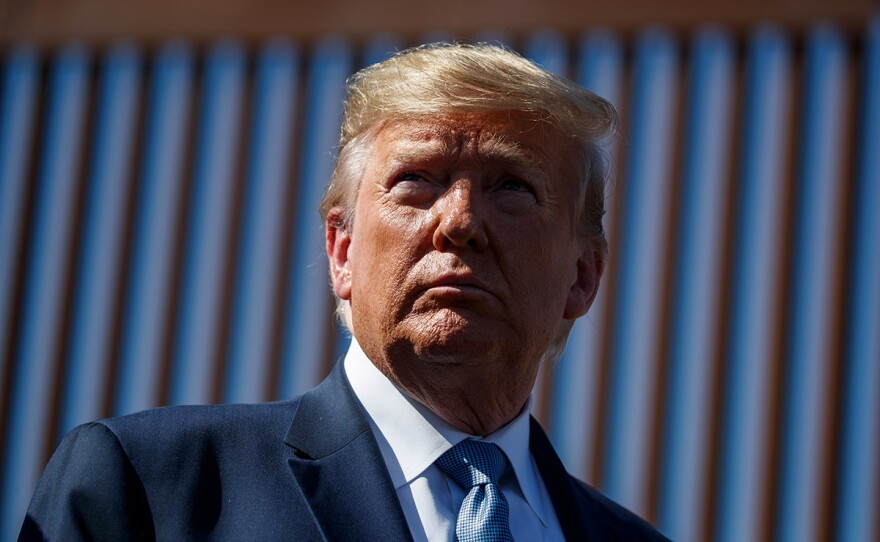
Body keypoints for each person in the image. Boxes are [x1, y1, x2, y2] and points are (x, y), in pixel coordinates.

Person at [20, 42, 668, 541]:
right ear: (342, 250)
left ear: (583, 275)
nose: (461, 221)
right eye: (417, 179)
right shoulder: (151, 489)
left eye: (511, 187)